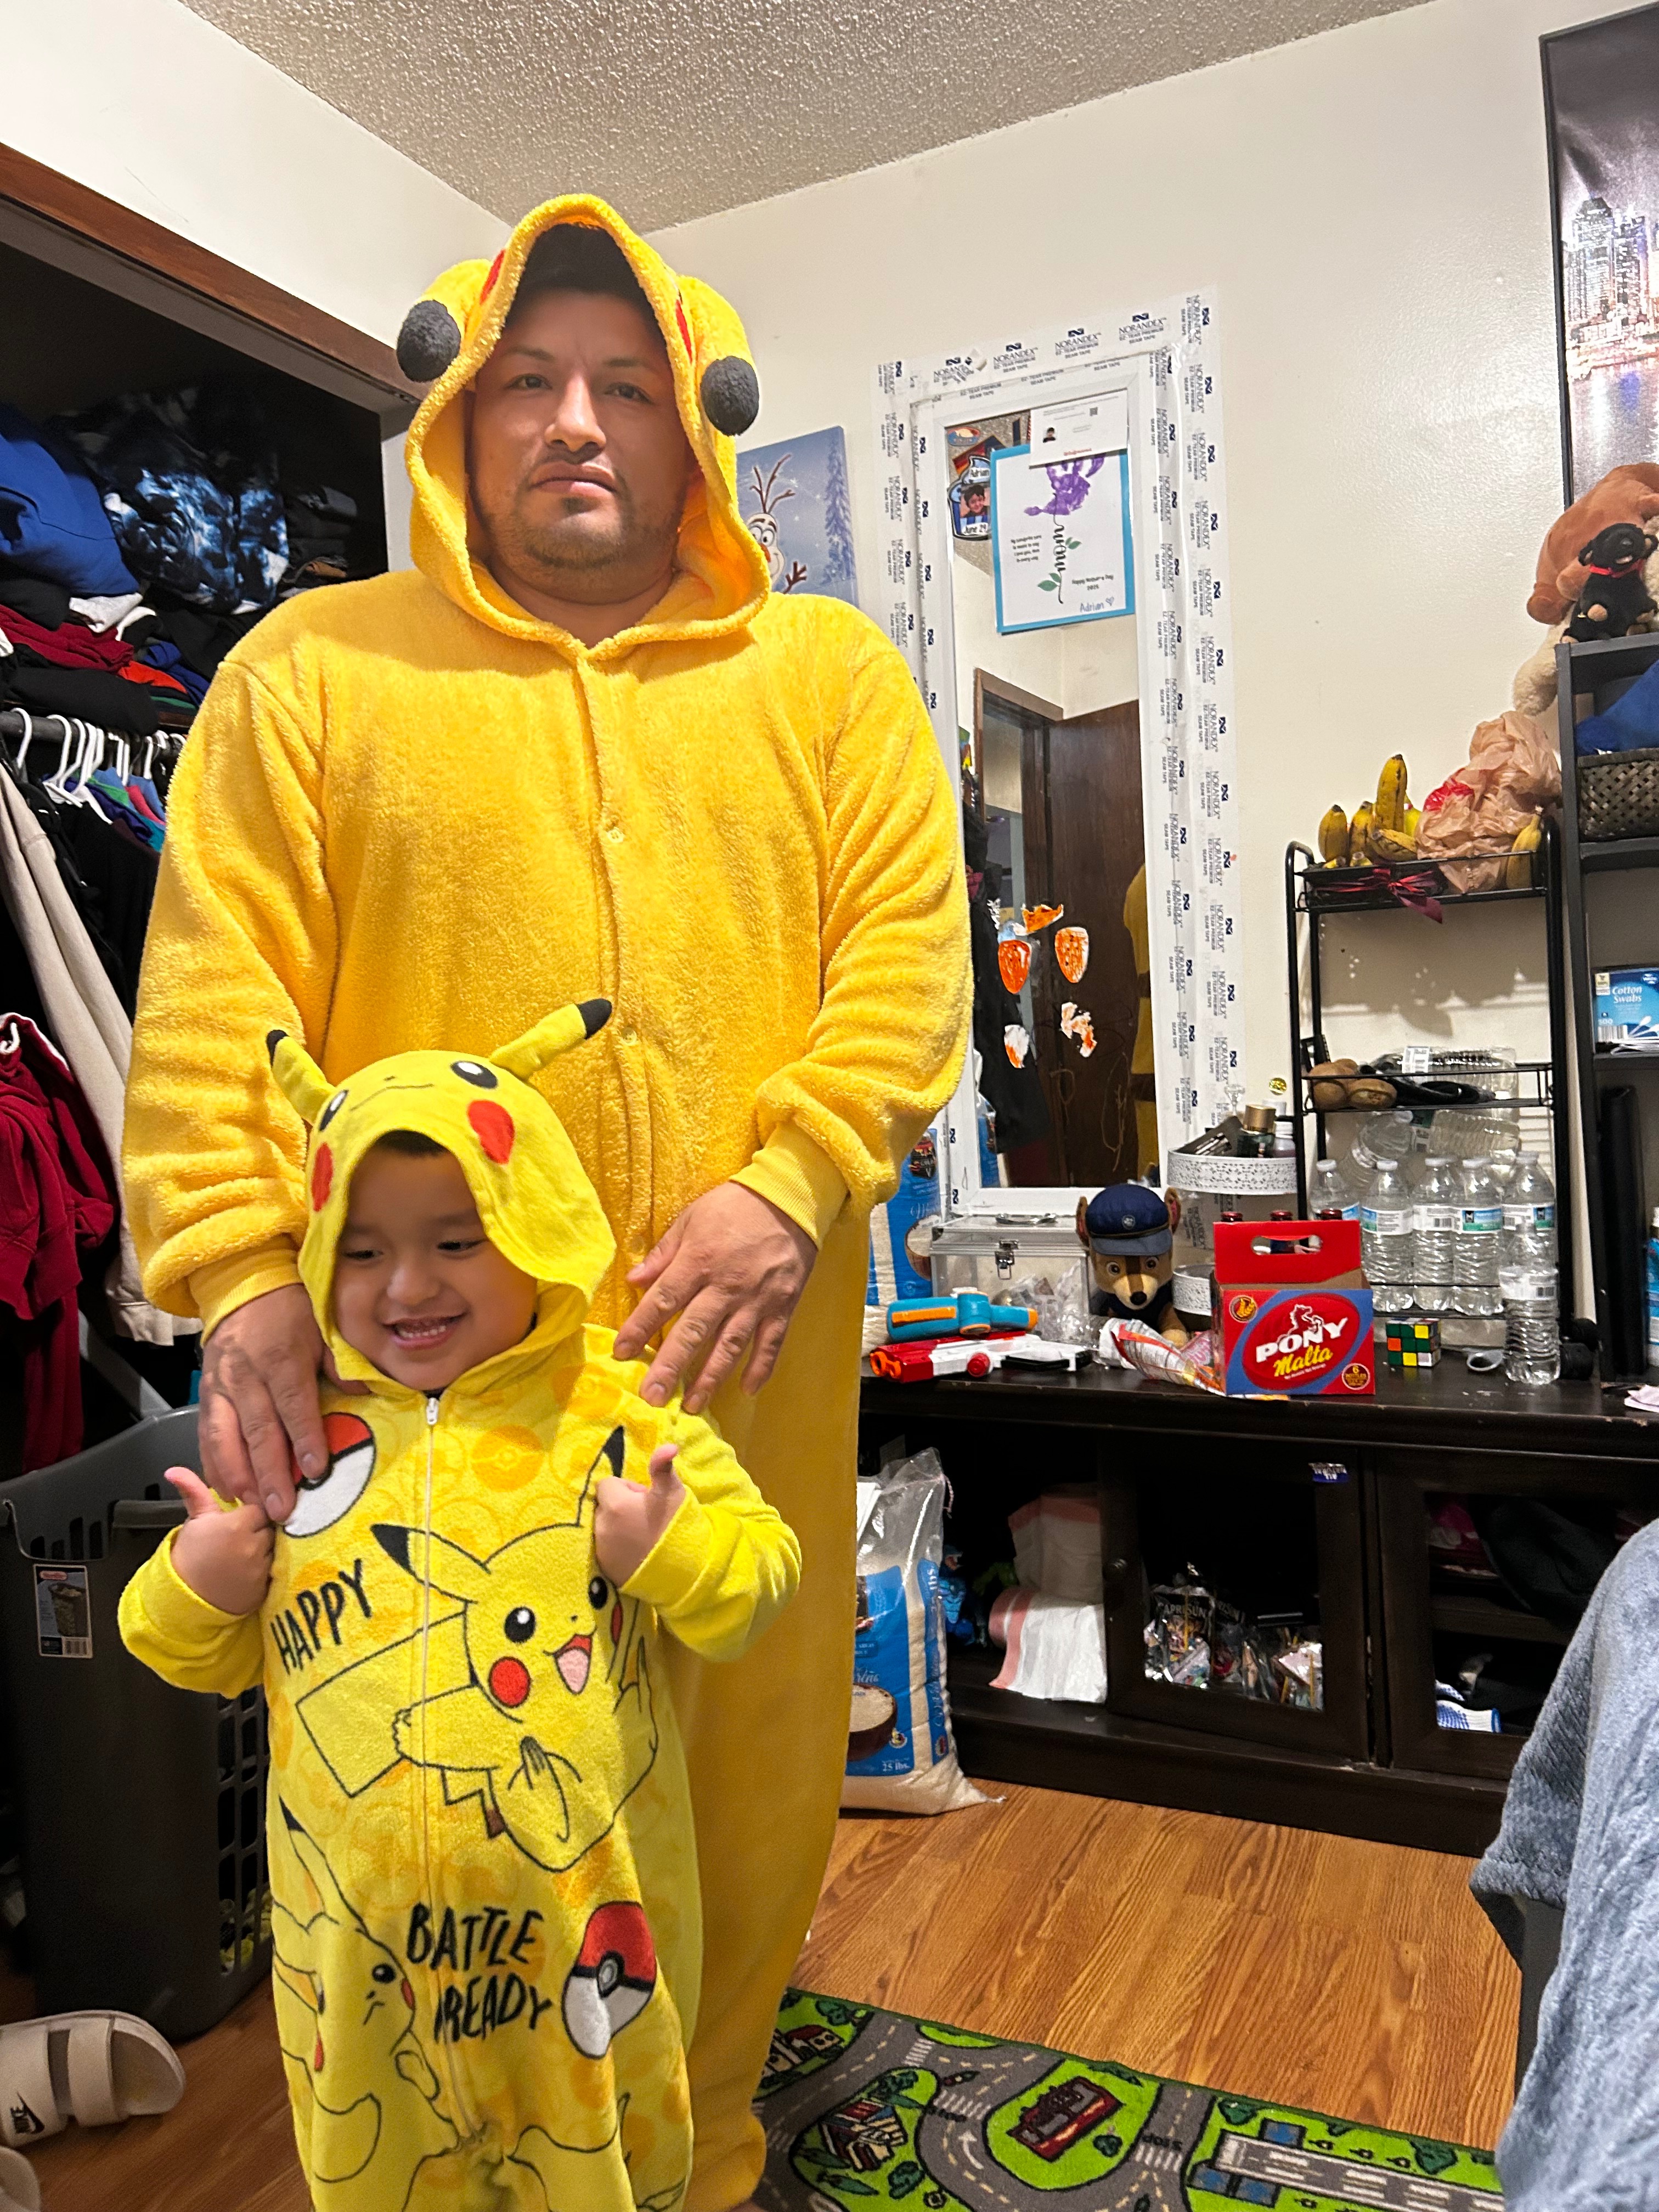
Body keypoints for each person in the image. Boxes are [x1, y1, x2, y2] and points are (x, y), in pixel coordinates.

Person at [122, 194, 969, 2209]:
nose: (574, 422)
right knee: (431, 1771)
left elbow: (905, 958)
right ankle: (424, 2156)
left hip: (738, 1331)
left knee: (751, 1734)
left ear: (696, 427)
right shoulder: (311, 672)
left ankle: (702, 2136)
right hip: (420, 1371)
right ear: (455, 420)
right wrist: (242, 1275)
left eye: (624, 386)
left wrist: (795, 1181)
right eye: (525, 383)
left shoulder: (826, 674)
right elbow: (215, 989)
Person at [121, 1002, 801, 2211]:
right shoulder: (298, 1436)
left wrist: (671, 1550)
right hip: (356, 1976)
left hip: (581, 1958)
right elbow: (196, 1657)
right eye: (362, 1252)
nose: (408, 1286)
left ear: (536, 1227)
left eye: (458, 1238)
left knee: (602, 2183)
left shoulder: (614, 1412)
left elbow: (760, 1579)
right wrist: (199, 1584)